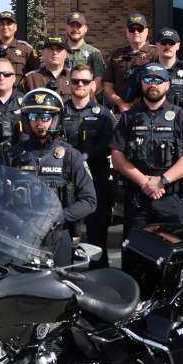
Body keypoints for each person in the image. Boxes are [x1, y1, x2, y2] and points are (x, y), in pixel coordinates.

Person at [110, 62, 183, 233]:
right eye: (148, 79)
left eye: (158, 80)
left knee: (173, 256)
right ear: (141, 83)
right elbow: (117, 156)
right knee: (135, 255)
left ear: (167, 85)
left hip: (172, 198)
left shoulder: (181, 116)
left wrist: (162, 181)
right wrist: (144, 182)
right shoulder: (128, 117)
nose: (153, 84)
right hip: (138, 199)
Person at [1, 88, 98, 245]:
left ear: (55, 119)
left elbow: (89, 200)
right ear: (27, 120)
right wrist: (19, 223)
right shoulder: (12, 155)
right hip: (20, 235)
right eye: (34, 116)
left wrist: (57, 217)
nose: (39, 122)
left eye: (45, 117)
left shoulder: (71, 155)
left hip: (58, 234)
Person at [62, 63, 115, 258]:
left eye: (85, 81)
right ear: (69, 83)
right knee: (63, 239)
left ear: (93, 84)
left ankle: (98, 281)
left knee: (97, 239)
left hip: (96, 183)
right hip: (64, 183)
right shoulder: (58, 112)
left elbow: (107, 147)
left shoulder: (104, 115)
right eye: (75, 81)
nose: (80, 84)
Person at [122, 27, 183, 107]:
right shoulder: (143, 70)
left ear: (178, 46)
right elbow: (127, 98)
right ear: (157, 45)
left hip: (180, 120)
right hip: (151, 120)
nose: (167, 46)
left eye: (171, 43)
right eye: (163, 43)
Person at [103, 11, 158, 113]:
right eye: (132, 29)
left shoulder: (156, 53)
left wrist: (133, 104)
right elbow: (107, 86)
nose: (136, 32)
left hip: (147, 111)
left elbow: (159, 85)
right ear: (127, 32)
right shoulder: (117, 54)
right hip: (120, 111)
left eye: (140, 29)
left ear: (146, 31)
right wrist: (120, 103)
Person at [0, 10, 40, 86]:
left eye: (9, 24)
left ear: (15, 27)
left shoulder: (27, 49)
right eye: (2, 24)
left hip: (19, 95)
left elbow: (35, 76)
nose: (5, 27)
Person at [63, 12, 107, 91]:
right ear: (66, 28)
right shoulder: (58, 51)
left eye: (79, 26)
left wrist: (88, 95)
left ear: (85, 29)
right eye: (72, 26)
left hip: (85, 98)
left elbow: (99, 79)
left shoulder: (94, 53)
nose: (75, 29)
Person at [22, 35, 73, 100]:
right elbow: (20, 103)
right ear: (43, 53)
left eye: (59, 49)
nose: (54, 52)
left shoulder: (73, 78)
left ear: (66, 54)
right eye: (50, 49)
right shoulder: (31, 78)